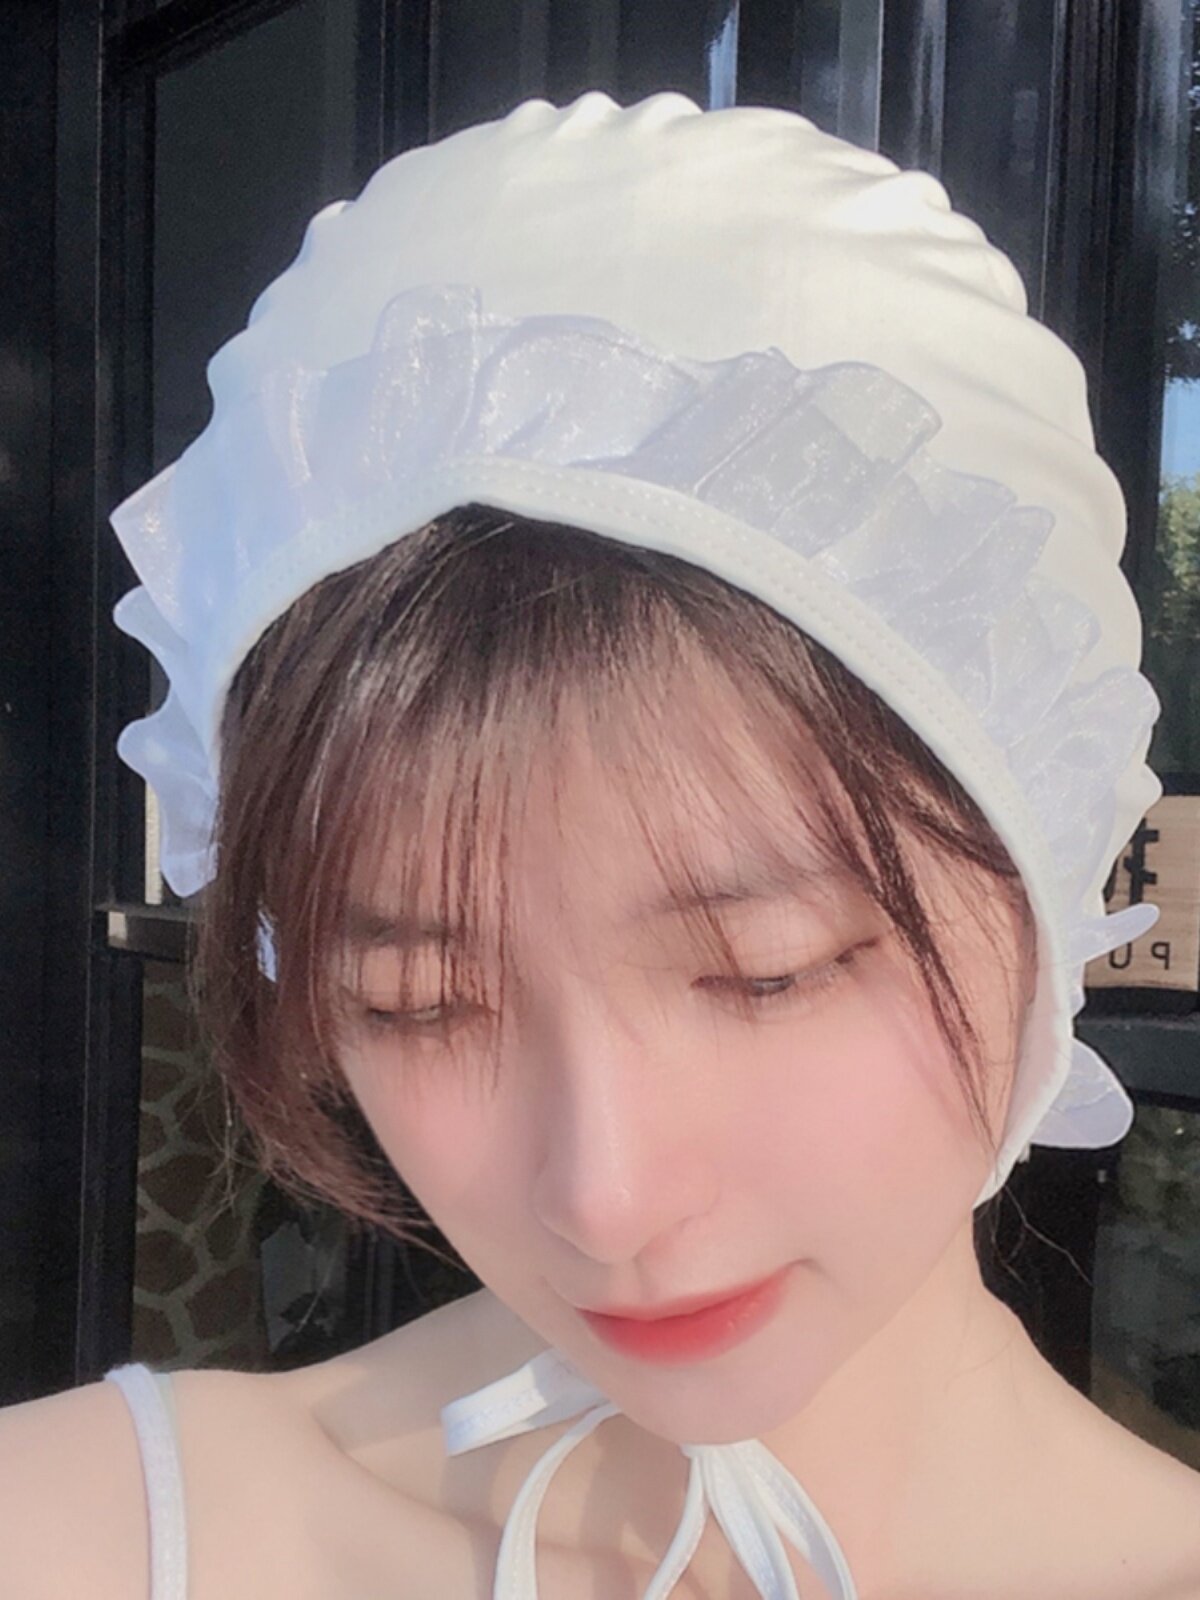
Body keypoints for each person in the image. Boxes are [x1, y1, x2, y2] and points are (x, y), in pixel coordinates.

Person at [3, 89, 1200, 1600]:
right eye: (414, 1004)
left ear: (1045, 868)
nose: (604, 1199)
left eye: (767, 971)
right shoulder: (83, 1537)